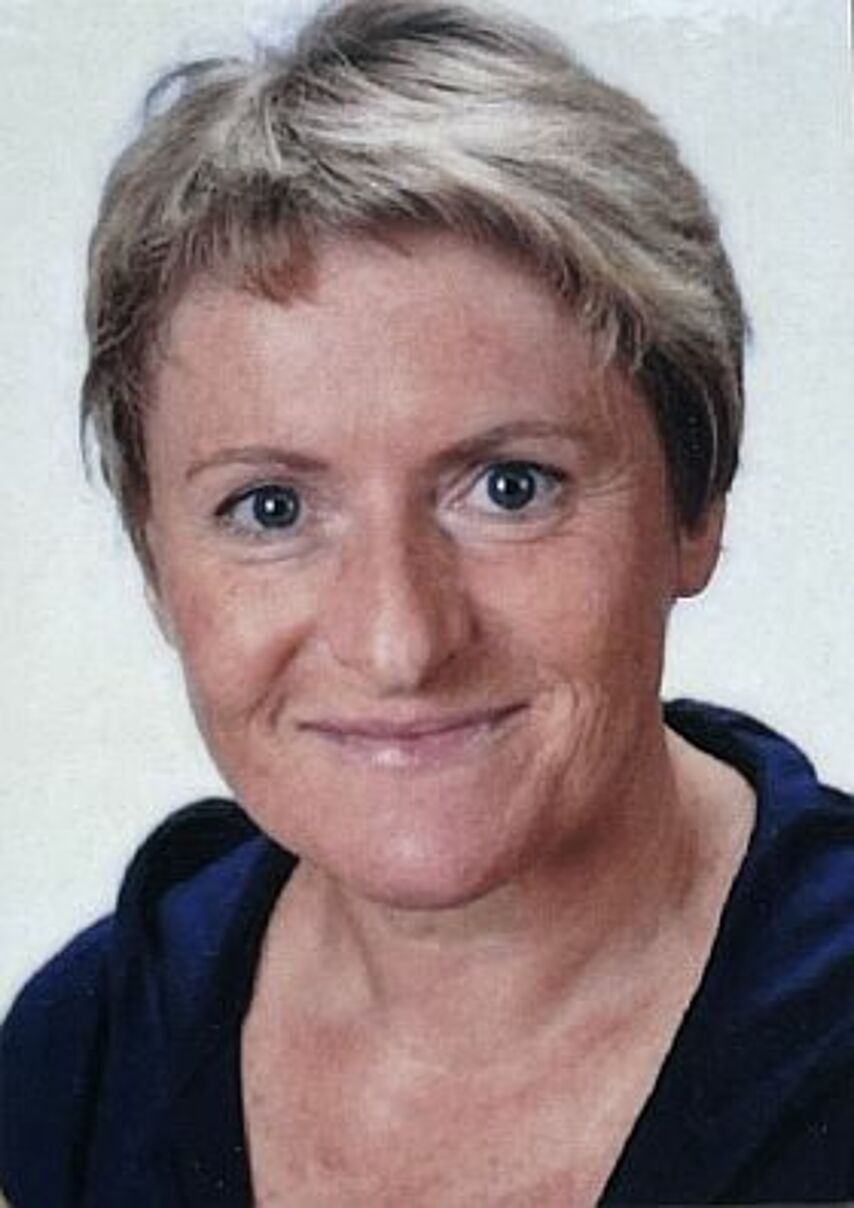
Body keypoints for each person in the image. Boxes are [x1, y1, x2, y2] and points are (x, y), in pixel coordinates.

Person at [2, 0, 853, 1203]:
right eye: (270, 508)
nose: (399, 639)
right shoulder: (85, 1049)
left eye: (510, 487)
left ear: (694, 502)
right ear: (155, 560)